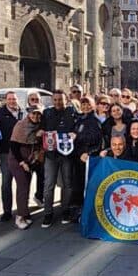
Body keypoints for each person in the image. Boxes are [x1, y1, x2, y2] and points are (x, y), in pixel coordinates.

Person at [41, 90, 77, 226]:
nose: (57, 102)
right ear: (52, 100)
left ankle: (65, 210)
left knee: (67, 184)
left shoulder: (71, 112)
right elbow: (42, 129)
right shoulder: (47, 113)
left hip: (66, 154)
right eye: (55, 100)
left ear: (66, 100)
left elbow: (75, 129)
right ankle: (48, 213)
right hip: (51, 155)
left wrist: (72, 133)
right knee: (49, 184)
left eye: (60, 100)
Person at [9, 106, 45, 229]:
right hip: (18, 158)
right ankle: (19, 217)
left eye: (38, 114)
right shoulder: (20, 125)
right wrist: (21, 162)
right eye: (33, 114)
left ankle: (25, 214)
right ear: (28, 114)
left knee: (26, 185)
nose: (35, 116)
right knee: (23, 186)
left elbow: (38, 143)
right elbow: (14, 145)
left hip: (30, 158)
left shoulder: (39, 126)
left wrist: (39, 136)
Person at [0, 91, 24, 221]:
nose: (12, 101)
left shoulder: (23, 113)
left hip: (21, 152)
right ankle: (7, 211)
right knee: (6, 182)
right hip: (6, 152)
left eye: (14, 99)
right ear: (6, 100)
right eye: (9, 99)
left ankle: (22, 210)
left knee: (21, 183)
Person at [69, 95, 103, 211]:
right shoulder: (80, 120)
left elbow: (98, 141)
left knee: (86, 184)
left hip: (88, 158)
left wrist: (88, 153)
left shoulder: (95, 121)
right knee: (78, 183)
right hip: (78, 156)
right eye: (83, 104)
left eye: (88, 104)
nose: (86, 106)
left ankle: (86, 209)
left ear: (93, 105)